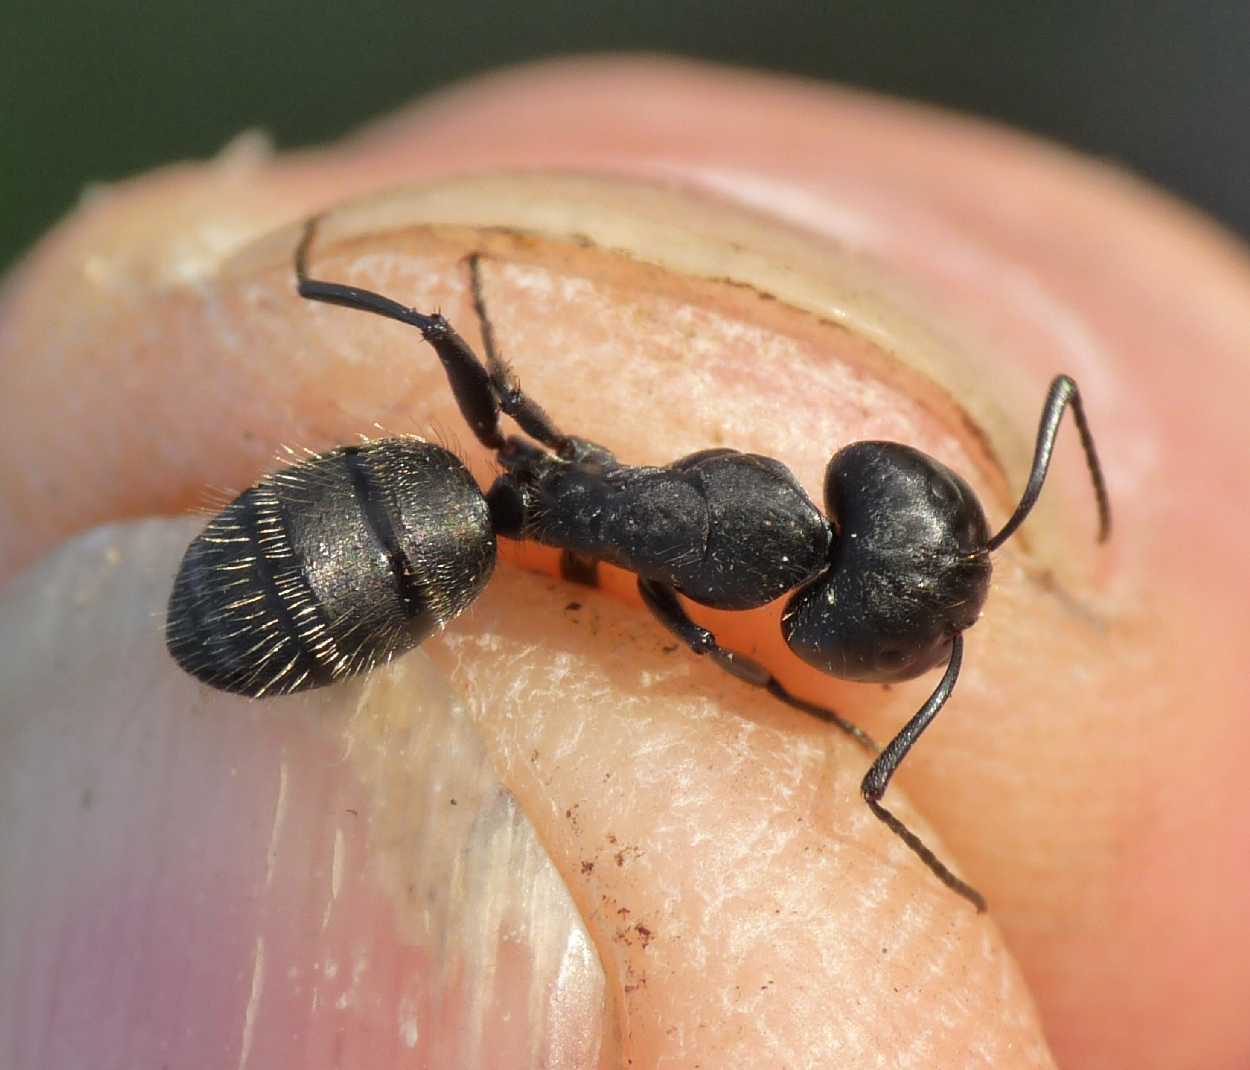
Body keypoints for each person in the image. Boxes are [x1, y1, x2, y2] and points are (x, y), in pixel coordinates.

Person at [2, 57, 1247, 1069]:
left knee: (443, 326)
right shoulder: (688, 588)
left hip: (424, 521)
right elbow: (690, 623)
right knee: (446, 326)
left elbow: (596, 488)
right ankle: (310, 275)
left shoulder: (703, 508)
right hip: (408, 535)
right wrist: (789, 700)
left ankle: (316, 276)